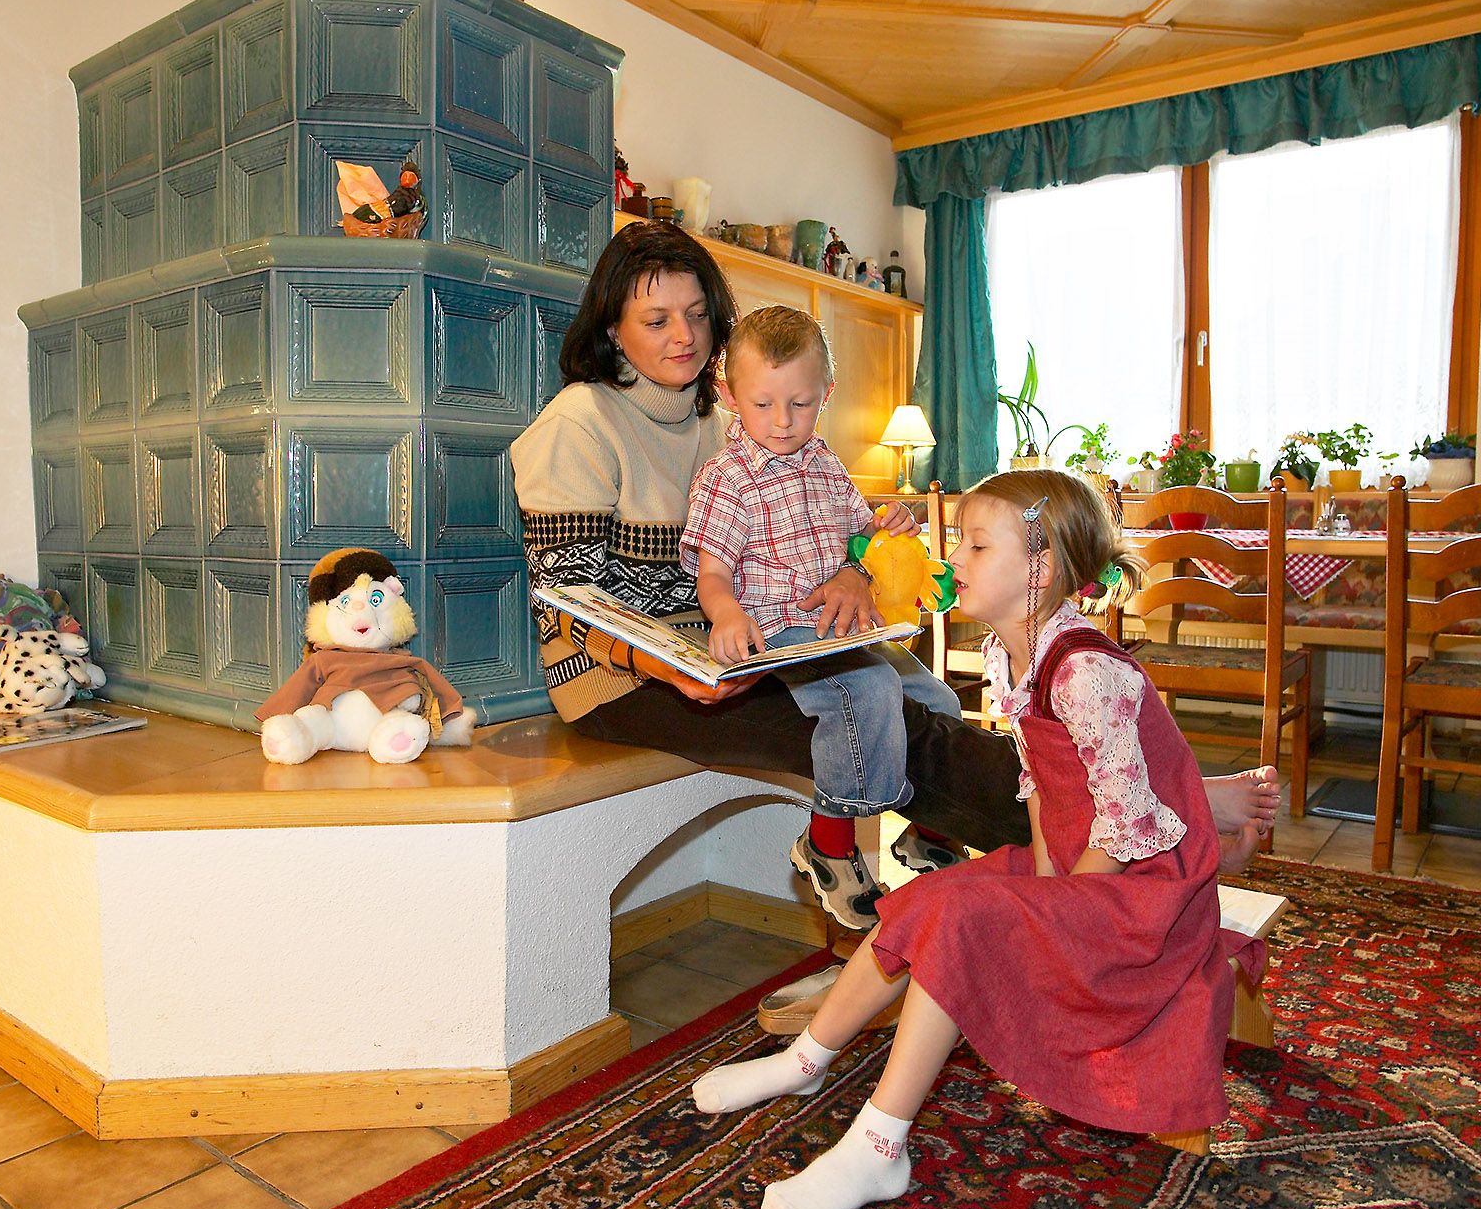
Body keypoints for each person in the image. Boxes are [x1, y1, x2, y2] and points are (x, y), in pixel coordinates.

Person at [509, 223, 1277, 912]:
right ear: (612, 329)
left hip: (758, 641)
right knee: (888, 719)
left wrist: (852, 574)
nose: (685, 334)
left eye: (698, 313)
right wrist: (668, 666)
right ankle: (1155, 811)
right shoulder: (579, 425)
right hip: (627, 677)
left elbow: (814, 535)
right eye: (656, 319)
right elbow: (573, 605)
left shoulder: (735, 418)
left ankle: (1093, 816)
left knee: (920, 688)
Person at [690, 468, 1266, 1209]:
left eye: (976, 543)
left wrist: (1058, 906)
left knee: (962, 922)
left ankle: (880, 1142)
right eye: (958, 539)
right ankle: (804, 1062)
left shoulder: (1087, 672)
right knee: (918, 902)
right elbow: (1043, 788)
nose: (953, 556)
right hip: (1076, 868)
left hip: (1140, 899)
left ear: (1040, 568)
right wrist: (1043, 881)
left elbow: (1124, 829)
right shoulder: (1011, 653)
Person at [683, 306, 962, 930]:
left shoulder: (826, 462)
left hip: (849, 626)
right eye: (762, 405)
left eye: (801, 405)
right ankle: (831, 842)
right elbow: (712, 571)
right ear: (730, 396)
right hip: (781, 630)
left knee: (938, 698)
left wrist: (888, 528)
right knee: (866, 689)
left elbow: (861, 539)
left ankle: (931, 829)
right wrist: (724, 614)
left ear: (826, 396)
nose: (782, 423)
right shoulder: (726, 480)